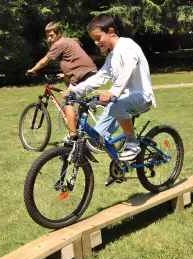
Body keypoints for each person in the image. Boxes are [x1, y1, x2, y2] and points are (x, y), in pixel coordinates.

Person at [62, 14, 156, 164]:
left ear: (111, 31)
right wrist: (76, 90)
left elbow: (129, 69)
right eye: (94, 39)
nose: (96, 42)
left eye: (98, 38)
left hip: (140, 96)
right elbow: (99, 77)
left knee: (117, 106)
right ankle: (119, 166)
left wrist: (113, 92)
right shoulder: (111, 56)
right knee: (97, 137)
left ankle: (132, 143)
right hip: (119, 100)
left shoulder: (127, 46)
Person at [26, 22, 97, 140]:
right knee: (69, 86)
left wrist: (33, 70)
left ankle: (73, 135)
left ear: (59, 33)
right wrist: (65, 74)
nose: (49, 39)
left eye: (52, 35)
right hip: (89, 73)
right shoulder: (69, 41)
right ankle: (82, 113)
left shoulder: (59, 43)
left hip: (82, 75)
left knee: (68, 100)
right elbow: (75, 59)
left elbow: (45, 60)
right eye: (47, 36)